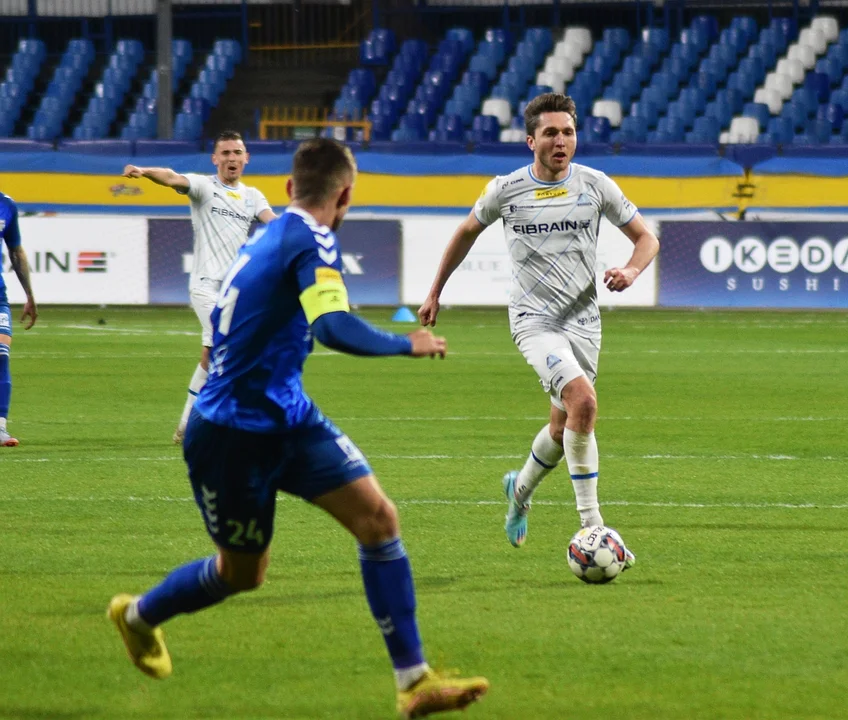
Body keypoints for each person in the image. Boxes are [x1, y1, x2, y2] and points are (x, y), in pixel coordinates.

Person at [107, 138, 489, 719]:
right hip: (232, 429)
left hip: (286, 416)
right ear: (347, 195)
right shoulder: (312, 237)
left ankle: (413, 681)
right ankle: (137, 615)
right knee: (242, 573)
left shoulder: (268, 233)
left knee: (379, 519)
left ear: (288, 189)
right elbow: (333, 326)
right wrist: (404, 344)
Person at [418, 92, 660, 556]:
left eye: (568, 132)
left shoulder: (595, 185)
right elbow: (465, 233)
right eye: (551, 132)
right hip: (534, 321)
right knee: (583, 402)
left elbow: (645, 238)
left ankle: (520, 493)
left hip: (585, 324)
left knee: (561, 426)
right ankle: (595, 528)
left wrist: (631, 269)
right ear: (531, 140)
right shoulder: (505, 190)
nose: (561, 140)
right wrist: (435, 291)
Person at [122, 130, 276, 444]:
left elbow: (273, 221)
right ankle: (223, 420)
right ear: (215, 158)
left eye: (237, 152)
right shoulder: (204, 187)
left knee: (211, 353)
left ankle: (186, 426)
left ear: (246, 158)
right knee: (228, 346)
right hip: (206, 286)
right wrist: (145, 171)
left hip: (236, 290)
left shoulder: (252, 196)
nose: (232, 158)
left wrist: (302, 228)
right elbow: (171, 177)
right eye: (226, 153)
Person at [0, 191, 38, 447]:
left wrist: (29, 295)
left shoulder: (6, 205)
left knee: (1, 355)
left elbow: (15, 250)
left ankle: (0, 427)